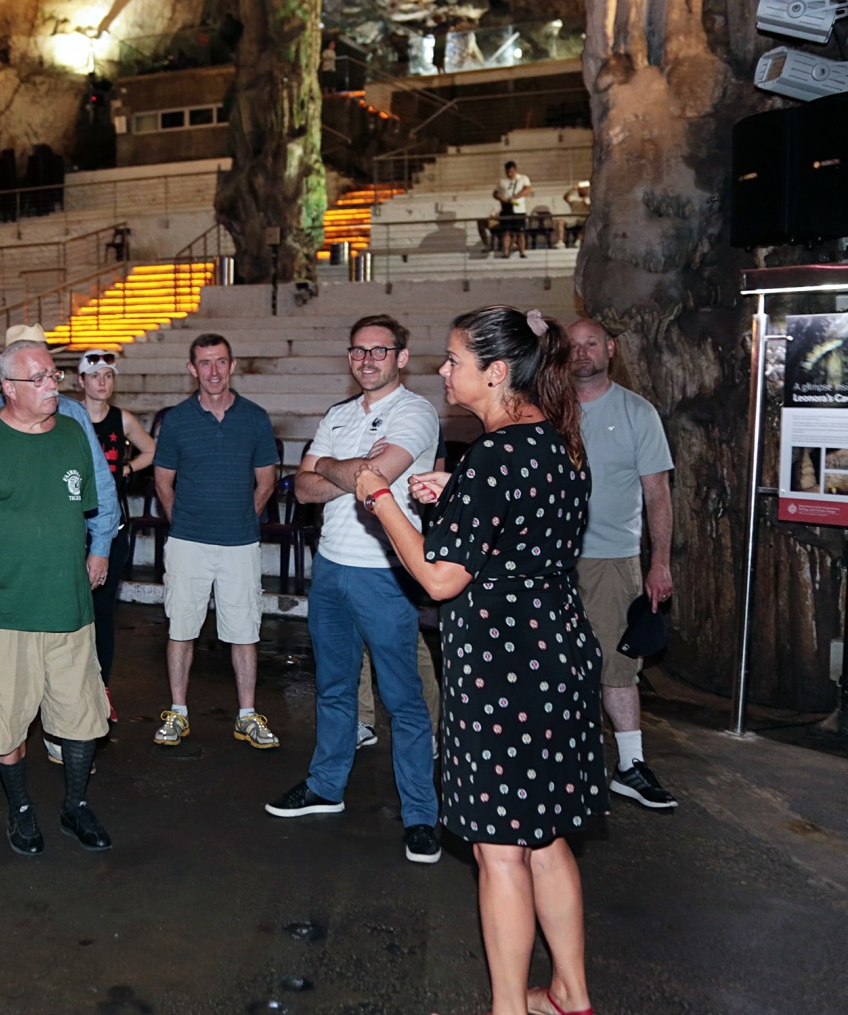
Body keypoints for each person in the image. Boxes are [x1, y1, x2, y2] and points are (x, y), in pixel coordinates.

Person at [360, 305, 604, 1015]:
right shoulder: (558, 440)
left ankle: (507, 1010)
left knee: (500, 850)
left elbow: (440, 578)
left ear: (496, 373)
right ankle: (569, 993)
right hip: (557, 656)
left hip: (505, 669)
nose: (442, 370)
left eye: (453, 360)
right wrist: (455, 496)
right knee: (545, 836)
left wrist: (380, 499)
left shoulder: (494, 456)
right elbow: (520, 534)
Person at [266, 315, 442, 866]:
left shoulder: (416, 412)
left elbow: (375, 480)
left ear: (401, 357)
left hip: (384, 572)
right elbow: (303, 488)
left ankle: (421, 814)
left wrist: (330, 467)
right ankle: (326, 785)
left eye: (379, 351)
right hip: (331, 569)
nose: (367, 360)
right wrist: (349, 470)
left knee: (403, 699)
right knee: (335, 688)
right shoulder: (338, 415)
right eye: (359, 351)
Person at [0, 339, 112, 855]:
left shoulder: (72, 434)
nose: (53, 385)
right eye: (40, 379)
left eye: (54, 375)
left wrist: (95, 553)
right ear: (9, 388)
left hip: (68, 607)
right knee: (3, 718)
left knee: (82, 715)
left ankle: (75, 806)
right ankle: (22, 810)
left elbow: (86, 508)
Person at [0, 324, 119, 769]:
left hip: (60, 562)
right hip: (8, 570)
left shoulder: (72, 415)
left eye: (47, 365)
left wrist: (100, 546)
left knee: (64, 652)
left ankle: (60, 734)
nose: (47, 378)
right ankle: (0, 740)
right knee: (4, 658)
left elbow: (99, 483)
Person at [150, 332, 283, 750]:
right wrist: (183, 523)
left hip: (240, 544)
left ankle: (247, 715)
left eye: (221, 361)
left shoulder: (255, 417)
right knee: (181, 628)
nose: (213, 371)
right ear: (192, 369)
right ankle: (177, 712)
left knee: (245, 631)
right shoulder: (177, 420)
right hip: (188, 543)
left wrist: (243, 519)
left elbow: (267, 480)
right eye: (205, 363)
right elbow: (163, 481)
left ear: (233, 365)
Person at [570, 318, 677, 810]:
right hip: (550, 559)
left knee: (616, 665)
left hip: (612, 558)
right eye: (572, 345)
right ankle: (567, 760)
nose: (581, 352)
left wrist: (660, 564)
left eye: (591, 343)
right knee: (556, 662)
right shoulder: (549, 409)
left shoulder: (637, 412)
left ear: (610, 349)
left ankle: (630, 765)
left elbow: (658, 493)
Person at [77, 348, 155, 714]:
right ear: (82, 381)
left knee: (103, 612)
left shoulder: (121, 419)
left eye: (108, 376)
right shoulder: (68, 416)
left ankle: (101, 688)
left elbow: (150, 450)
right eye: (95, 376)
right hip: (72, 529)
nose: (102, 382)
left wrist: (126, 469)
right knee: (70, 612)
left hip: (110, 528)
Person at [492, 161, 534, 258]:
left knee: (520, 232)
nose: (509, 174)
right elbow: (495, 193)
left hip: (519, 209)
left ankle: (522, 252)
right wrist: (502, 199)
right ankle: (506, 252)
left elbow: (527, 189)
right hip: (506, 208)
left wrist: (515, 197)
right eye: (507, 172)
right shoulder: (502, 181)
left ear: (515, 170)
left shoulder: (523, 178)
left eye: (511, 172)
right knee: (506, 232)